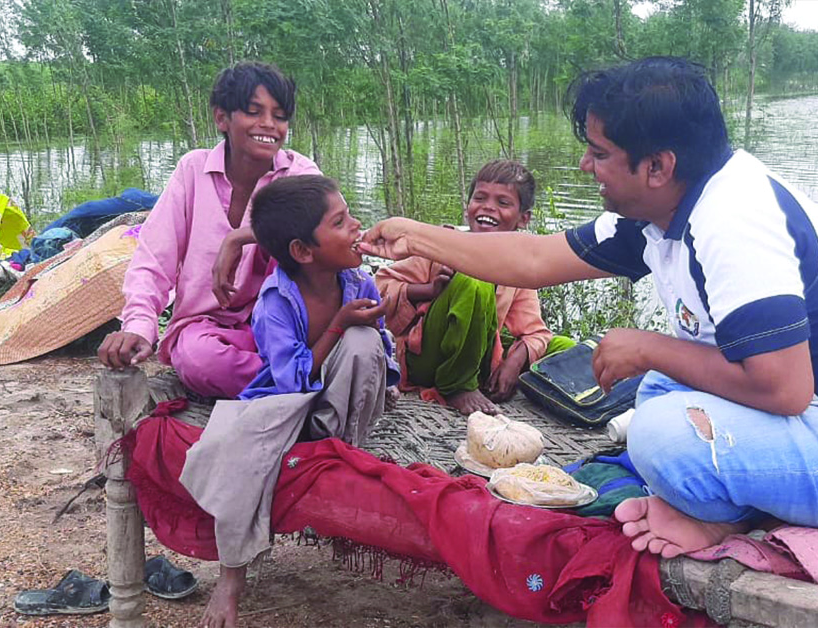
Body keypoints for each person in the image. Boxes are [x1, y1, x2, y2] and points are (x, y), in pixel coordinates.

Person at [358, 57, 818, 558]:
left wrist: (649, 345)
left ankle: (721, 522)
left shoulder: (731, 225)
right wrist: (419, 235)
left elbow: (785, 390)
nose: (585, 166)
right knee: (656, 394)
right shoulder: (668, 209)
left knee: (663, 436)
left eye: (598, 153)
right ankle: (727, 509)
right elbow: (536, 259)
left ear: (657, 166)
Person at [181, 175, 398, 628]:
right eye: (340, 222)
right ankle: (231, 577)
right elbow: (290, 381)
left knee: (364, 342)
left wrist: (380, 352)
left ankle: (343, 450)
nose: (357, 226)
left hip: (340, 408)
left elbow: (380, 353)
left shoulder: (360, 284)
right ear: (303, 251)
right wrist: (336, 324)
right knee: (241, 453)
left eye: (349, 214)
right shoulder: (275, 302)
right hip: (287, 400)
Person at [98, 61, 321, 399]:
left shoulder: (298, 173)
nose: (269, 125)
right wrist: (139, 325)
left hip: (285, 324)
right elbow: (154, 258)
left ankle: (290, 375)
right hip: (209, 328)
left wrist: (243, 236)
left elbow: (327, 233)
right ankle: (300, 381)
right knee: (200, 362)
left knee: (302, 246)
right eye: (253, 111)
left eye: (279, 116)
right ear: (222, 118)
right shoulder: (193, 170)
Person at [374, 160, 573, 415]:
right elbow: (379, 288)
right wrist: (429, 290)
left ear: (523, 219)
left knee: (564, 347)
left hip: (478, 357)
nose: (488, 207)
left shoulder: (518, 263)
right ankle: (456, 385)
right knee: (474, 278)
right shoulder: (443, 244)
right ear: (468, 207)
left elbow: (535, 332)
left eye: (503, 203)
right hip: (428, 359)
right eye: (480, 197)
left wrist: (515, 360)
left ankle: (501, 381)